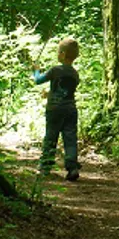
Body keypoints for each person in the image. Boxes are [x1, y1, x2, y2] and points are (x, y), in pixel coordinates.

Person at [32, 37, 81, 181]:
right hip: (71, 110)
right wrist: (50, 93)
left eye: (58, 52)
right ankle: (72, 167)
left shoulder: (55, 70)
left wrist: (36, 70)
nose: (57, 54)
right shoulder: (74, 74)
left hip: (54, 109)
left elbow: (38, 80)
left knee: (51, 136)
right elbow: (66, 90)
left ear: (63, 54)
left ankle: (45, 166)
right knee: (70, 138)